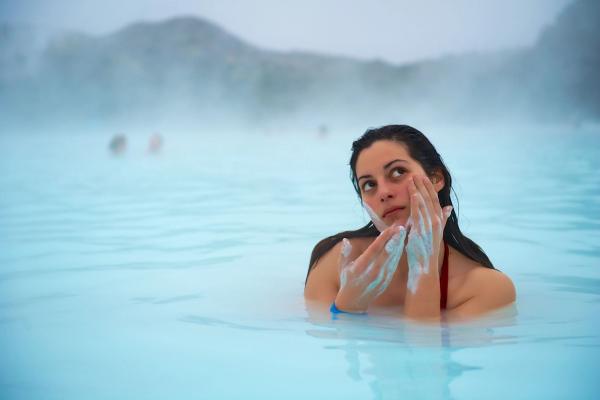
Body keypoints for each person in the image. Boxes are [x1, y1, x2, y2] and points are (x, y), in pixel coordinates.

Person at [304, 125, 516, 322]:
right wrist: (347, 305)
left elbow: (425, 356)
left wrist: (423, 271)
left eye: (398, 172)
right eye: (369, 185)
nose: (384, 193)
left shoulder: (486, 288)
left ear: (435, 179)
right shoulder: (337, 263)